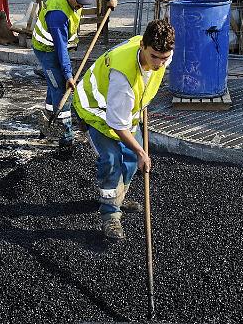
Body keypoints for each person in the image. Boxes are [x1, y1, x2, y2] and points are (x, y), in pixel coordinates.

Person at [73, 19, 175, 241]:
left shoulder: (162, 52)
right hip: (96, 111)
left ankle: (117, 196)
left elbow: (149, 78)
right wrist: (141, 151)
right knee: (111, 160)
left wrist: (136, 152)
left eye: (164, 58)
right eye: (154, 57)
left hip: (124, 112)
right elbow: (117, 125)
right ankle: (110, 213)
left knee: (129, 159)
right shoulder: (122, 78)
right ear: (142, 47)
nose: (159, 64)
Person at [32, 0, 118, 148]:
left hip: (59, 46)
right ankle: (66, 138)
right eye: (79, 2)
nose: (81, 6)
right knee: (61, 88)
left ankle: (48, 122)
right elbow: (61, 49)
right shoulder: (57, 15)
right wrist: (69, 75)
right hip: (46, 49)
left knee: (54, 85)